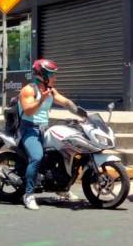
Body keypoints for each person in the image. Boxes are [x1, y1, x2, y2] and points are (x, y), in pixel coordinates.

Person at [17, 59, 87, 211]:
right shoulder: (28, 90)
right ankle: (28, 195)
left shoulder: (51, 91)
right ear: (42, 75)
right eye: (52, 75)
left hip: (44, 129)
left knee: (65, 151)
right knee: (37, 157)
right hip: (29, 130)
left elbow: (66, 103)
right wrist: (41, 99)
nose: (55, 78)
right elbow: (28, 110)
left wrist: (83, 114)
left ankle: (61, 188)